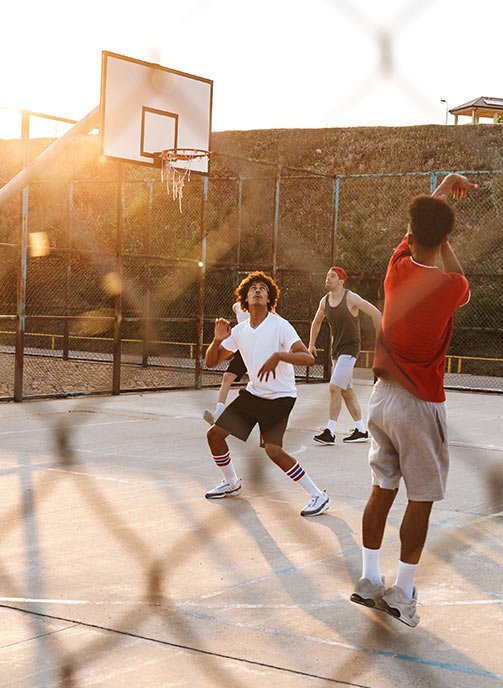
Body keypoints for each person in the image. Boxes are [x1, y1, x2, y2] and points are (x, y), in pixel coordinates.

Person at [349, 173, 476, 627]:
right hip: (421, 403)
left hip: (381, 398)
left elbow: (414, 232)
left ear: (412, 232)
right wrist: (443, 234)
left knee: (382, 488)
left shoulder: (396, 269)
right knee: (420, 497)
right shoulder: (449, 288)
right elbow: (460, 277)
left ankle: (369, 579)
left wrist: (440, 191)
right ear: (443, 239)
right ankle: (402, 592)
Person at [202, 271, 331, 517]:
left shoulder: (280, 325)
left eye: (263, 288)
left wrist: (280, 356)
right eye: (253, 288)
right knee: (215, 435)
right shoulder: (240, 331)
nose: (258, 291)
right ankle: (231, 482)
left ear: (269, 298)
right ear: (245, 298)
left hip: (280, 396)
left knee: (273, 451)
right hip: (254, 394)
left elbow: (308, 358)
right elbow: (211, 361)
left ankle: (318, 495)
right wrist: (217, 340)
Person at [307, 267, 381, 445]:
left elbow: (376, 313)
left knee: (334, 387)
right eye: (327, 276)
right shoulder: (324, 301)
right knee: (346, 391)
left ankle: (330, 432)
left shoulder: (351, 298)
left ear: (341, 281)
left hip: (350, 348)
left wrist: (381, 341)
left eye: (332, 276)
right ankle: (361, 430)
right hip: (337, 350)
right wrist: (311, 344)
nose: (328, 278)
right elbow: (317, 322)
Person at [203, 300, 250, 426]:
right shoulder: (238, 328)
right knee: (227, 376)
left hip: (264, 351)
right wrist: (217, 340)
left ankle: (282, 415)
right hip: (244, 348)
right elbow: (211, 362)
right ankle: (219, 413)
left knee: (260, 384)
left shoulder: (270, 317)